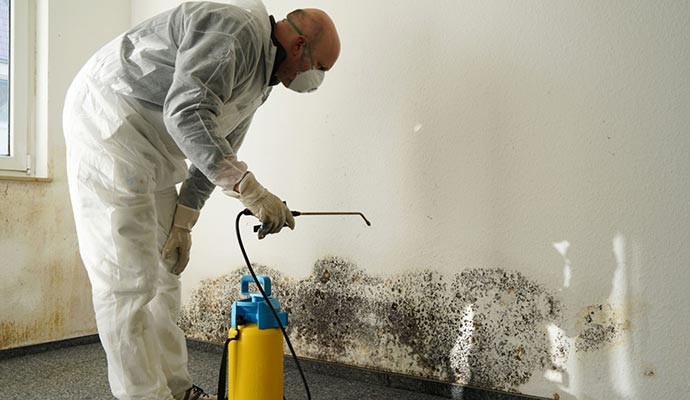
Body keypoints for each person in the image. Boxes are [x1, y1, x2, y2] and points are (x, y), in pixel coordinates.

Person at [62, 1, 340, 399]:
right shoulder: (235, 30)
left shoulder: (260, 82)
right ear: (299, 46)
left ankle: (177, 390)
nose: (317, 79)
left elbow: (218, 150)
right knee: (127, 282)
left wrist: (183, 223)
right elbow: (186, 114)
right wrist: (251, 190)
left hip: (153, 148)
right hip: (110, 124)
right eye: (321, 67)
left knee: (164, 274)